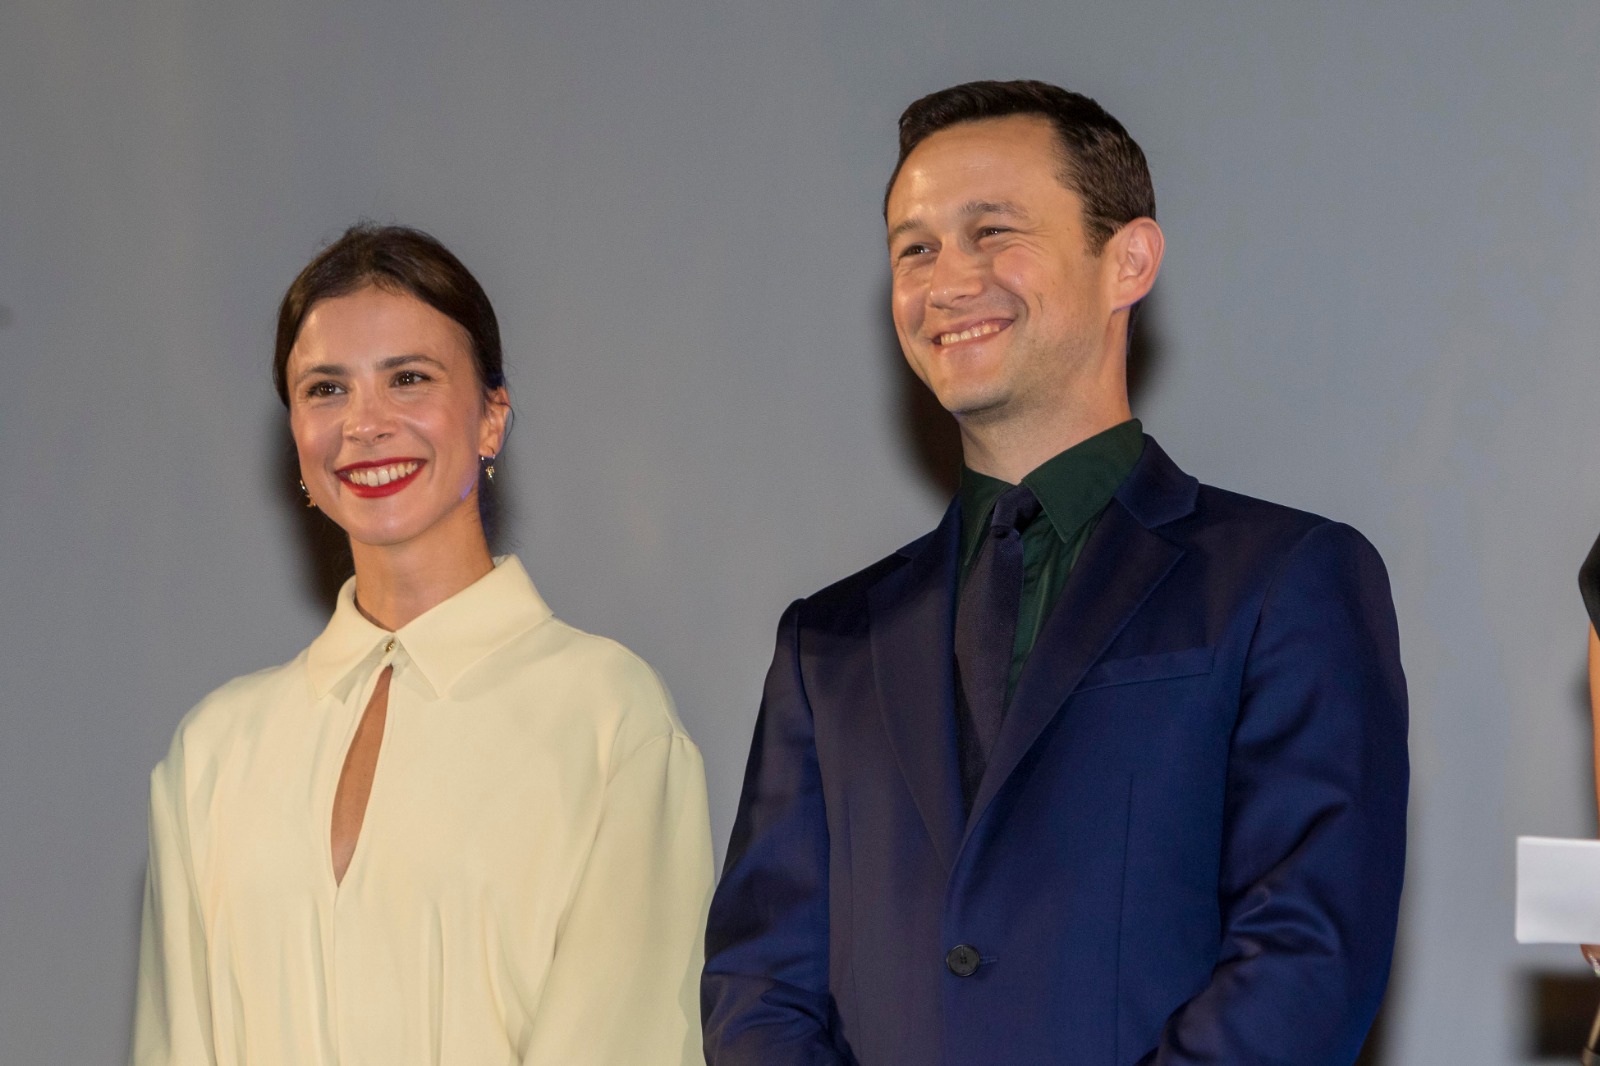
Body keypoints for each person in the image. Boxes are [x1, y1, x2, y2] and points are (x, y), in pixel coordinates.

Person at [702, 80, 1409, 1065]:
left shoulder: (1283, 582)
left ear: (1127, 260)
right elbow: (760, 981)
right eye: (915, 248)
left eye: (992, 233)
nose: (947, 280)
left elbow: (1303, 954)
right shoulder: (829, 641)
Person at [132, 224, 713, 1065]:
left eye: (409, 379)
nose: (365, 424)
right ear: (295, 437)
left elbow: (627, 1040)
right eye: (326, 390)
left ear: (491, 418)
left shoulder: (606, 717)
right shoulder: (213, 754)